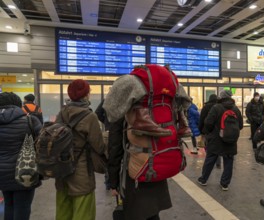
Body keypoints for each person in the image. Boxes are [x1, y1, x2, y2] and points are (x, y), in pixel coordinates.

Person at [103, 64, 190, 220]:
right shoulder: (165, 92)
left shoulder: (128, 95)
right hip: (157, 163)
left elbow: (115, 144)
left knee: (138, 213)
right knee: (153, 213)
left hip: (136, 170)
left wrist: (113, 180)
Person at [54, 79, 105, 220]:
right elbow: (99, 146)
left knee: (63, 212)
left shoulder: (62, 112)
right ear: (86, 94)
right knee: (83, 213)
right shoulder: (90, 116)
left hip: (62, 170)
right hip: (81, 172)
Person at [0, 92, 42, 220]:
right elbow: (42, 142)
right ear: (19, 105)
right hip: (25, 171)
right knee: (22, 206)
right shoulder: (30, 120)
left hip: (2, 172)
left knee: (9, 204)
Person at [197, 90, 243, 190]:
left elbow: (208, 123)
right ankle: (225, 184)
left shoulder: (216, 107)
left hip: (216, 139)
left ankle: (203, 179)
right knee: (229, 161)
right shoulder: (236, 109)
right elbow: (241, 125)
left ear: (221, 97)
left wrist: (208, 133)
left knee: (211, 159)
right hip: (231, 140)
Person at [199, 94, 222, 168]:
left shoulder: (205, 107)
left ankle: (209, 162)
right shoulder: (220, 107)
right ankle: (218, 163)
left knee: (208, 146)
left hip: (207, 130)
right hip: (218, 130)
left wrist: (201, 131)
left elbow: (201, 119)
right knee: (218, 146)